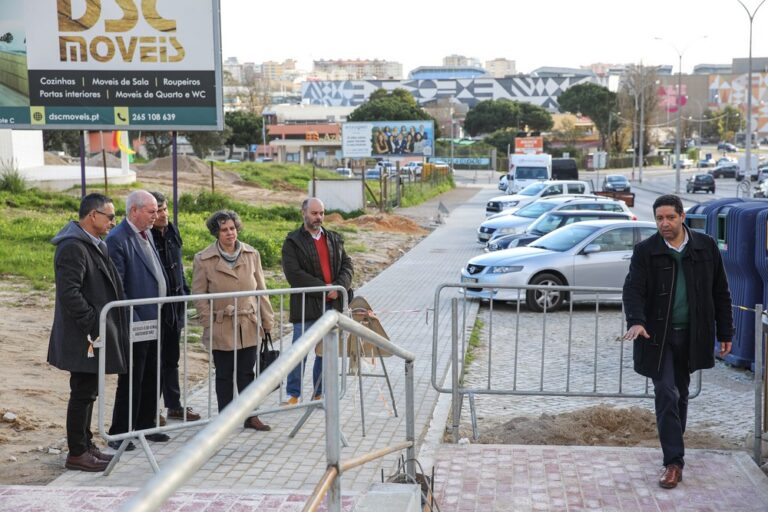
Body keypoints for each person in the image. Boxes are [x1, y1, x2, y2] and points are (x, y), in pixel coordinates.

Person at [622, 194, 733, 489]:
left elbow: (720, 291)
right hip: (657, 337)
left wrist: (726, 333)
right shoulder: (646, 251)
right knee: (666, 392)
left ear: (682, 217)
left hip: (693, 335)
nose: (664, 223)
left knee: (681, 394)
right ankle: (673, 462)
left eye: (670, 217)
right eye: (659, 218)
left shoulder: (705, 246)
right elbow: (633, 289)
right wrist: (636, 321)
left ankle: (674, 448)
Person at [48, 193, 128, 472]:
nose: (113, 222)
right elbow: (70, 293)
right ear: (92, 215)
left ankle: (86, 444)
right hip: (83, 335)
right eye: (109, 216)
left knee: (90, 391)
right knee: (82, 392)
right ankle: (77, 453)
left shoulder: (94, 243)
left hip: (93, 334)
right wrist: (93, 322)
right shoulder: (73, 247)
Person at [192, 210, 274, 431]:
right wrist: (209, 322)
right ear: (216, 233)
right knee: (224, 374)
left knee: (247, 372)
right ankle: (225, 419)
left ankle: (251, 415)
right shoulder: (203, 259)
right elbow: (199, 295)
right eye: (224, 229)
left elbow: (261, 290)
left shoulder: (252, 254)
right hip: (221, 324)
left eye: (232, 228)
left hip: (248, 323)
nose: (230, 233)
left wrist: (267, 320)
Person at [107, 190, 171, 449]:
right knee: (133, 378)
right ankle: (121, 432)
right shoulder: (118, 239)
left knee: (154, 374)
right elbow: (118, 286)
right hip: (137, 321)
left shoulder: (146, 234)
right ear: (134, 211)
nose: (156, 216)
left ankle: (146, 425)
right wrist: (132, 319)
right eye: (151, 211)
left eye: (157, 211)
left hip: (156, 317)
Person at [282, 197, 354, 405]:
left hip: (332, 305)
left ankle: (319, 393)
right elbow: (294, 274)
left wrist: (339, 287)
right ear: (303, 213)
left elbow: (347, 265)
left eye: (321, 213)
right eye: (314, 213)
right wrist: (325, 290)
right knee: (299, 351)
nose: (319, 217)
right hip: (306, 305)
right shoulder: (293, 241)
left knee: (325, 352)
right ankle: (293, 394)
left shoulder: (334, 238)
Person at [149, 192, 200, 424]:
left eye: (165, 208)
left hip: (174, 307)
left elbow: (178, 266)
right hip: (154, 309)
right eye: (158, 210)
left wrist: (185, 291)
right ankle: (152, 410)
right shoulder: (145, 236)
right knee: (154, 362)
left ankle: (174, 406)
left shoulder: (172, 231)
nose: (163, 214)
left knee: (171, 359)